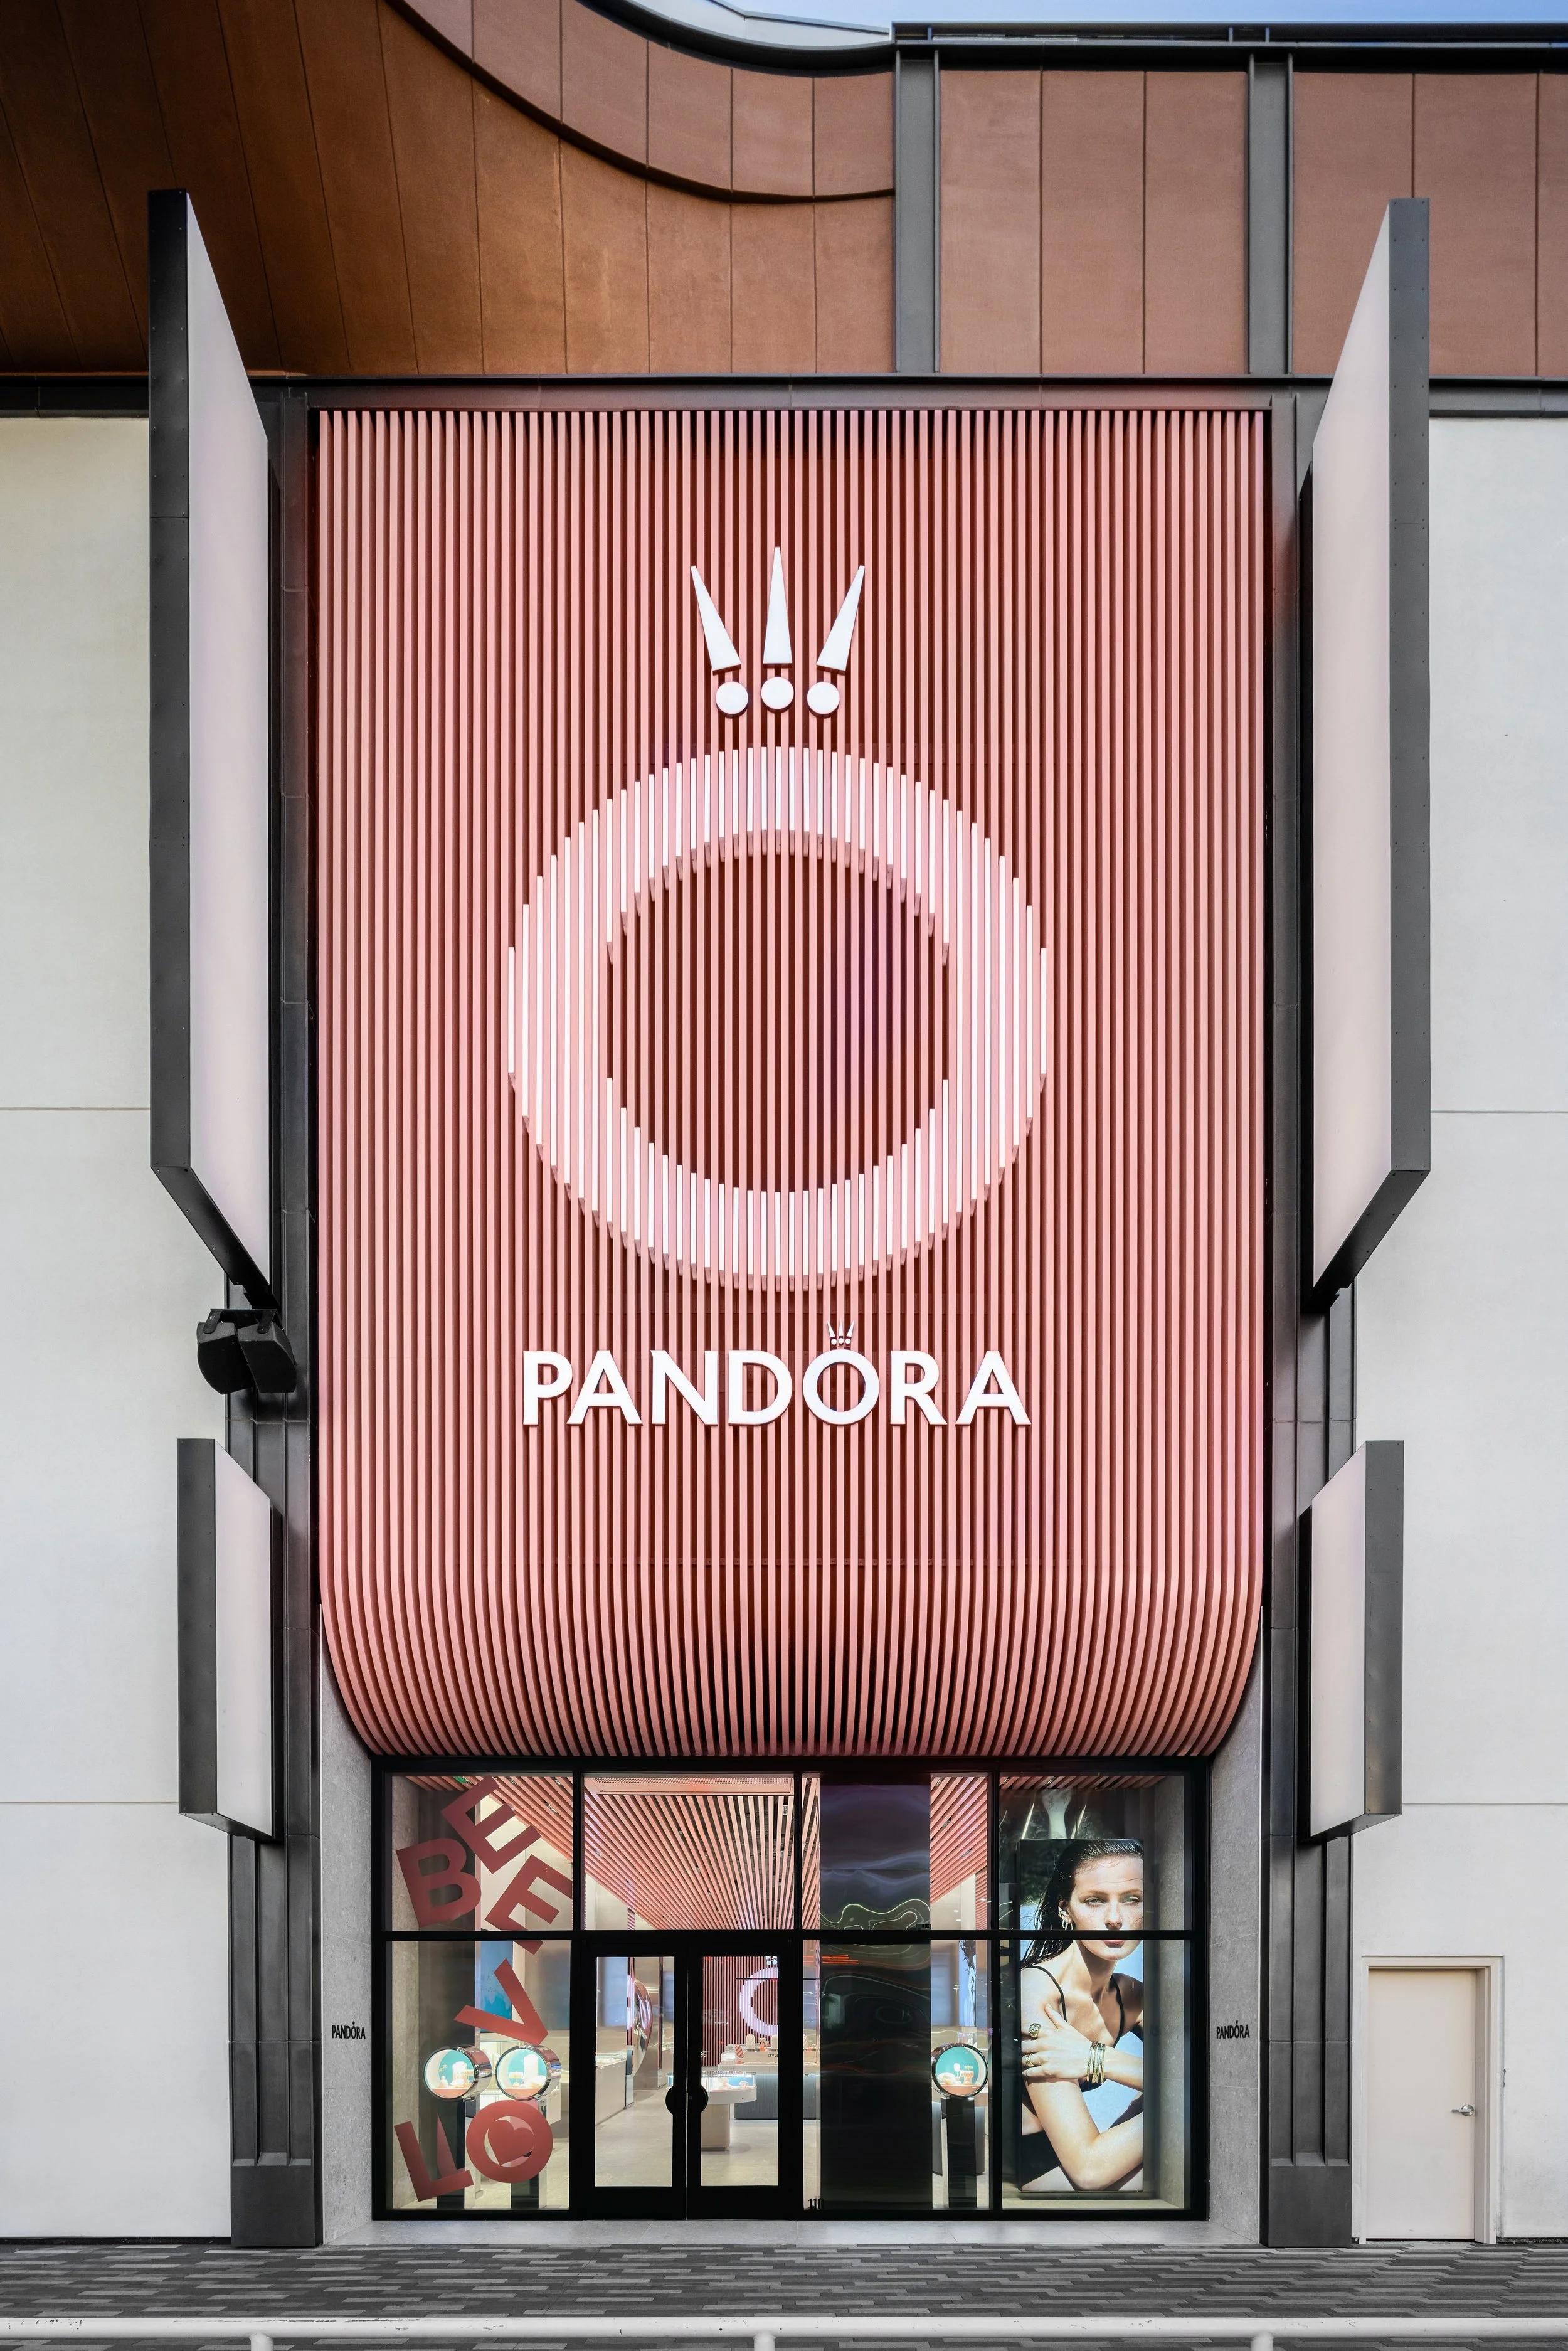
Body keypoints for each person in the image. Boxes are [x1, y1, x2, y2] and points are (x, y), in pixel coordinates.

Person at [1017, 1838, 1145, 2194]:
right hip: (1021, 2169)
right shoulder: (1035, 1994)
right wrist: (1181, 2105)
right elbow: (1089, 2171)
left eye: (1133, 1899)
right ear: (1065, 1909)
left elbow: (1210, 2077)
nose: (1116, 1919)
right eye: (1095, 1900)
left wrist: (1096, 2058)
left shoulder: (1131, 1997)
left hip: (1079, 2157)